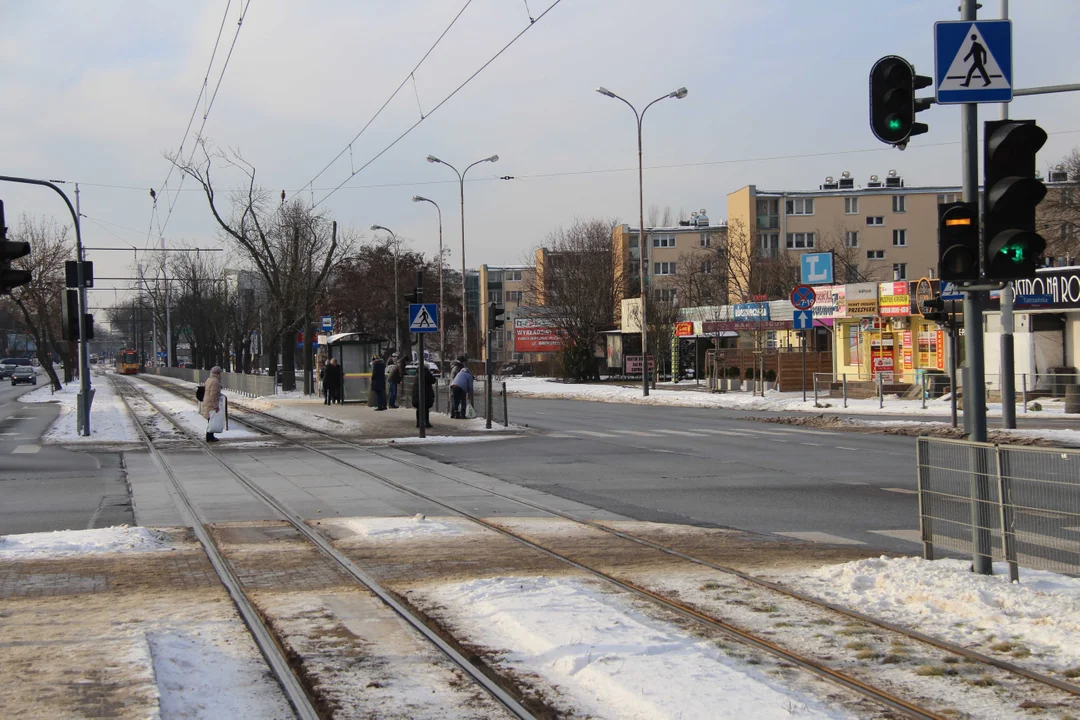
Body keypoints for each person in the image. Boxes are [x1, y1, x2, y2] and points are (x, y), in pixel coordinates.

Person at [201, 366, 223, 442]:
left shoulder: (209, 379)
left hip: (207, 401)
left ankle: (210, 436)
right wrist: (215, 406)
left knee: (210, 420)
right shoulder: (215, 382)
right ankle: (209, 437)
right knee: (212, 420)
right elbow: (213, 395)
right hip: (211, 403)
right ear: (218, 373)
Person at [412, 363, 436, 428]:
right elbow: (433, 380)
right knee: (425, 409)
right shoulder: (425, 372)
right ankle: (426, 422)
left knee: (419, 409)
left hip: (417, 394)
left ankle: (418, 422)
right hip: (424, 394)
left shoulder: (418, 373)